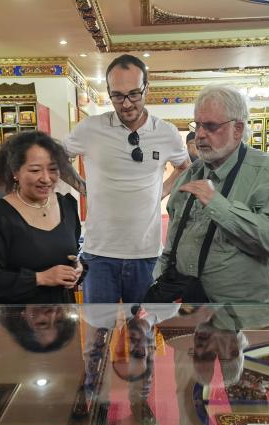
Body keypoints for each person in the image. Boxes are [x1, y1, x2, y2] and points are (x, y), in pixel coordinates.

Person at [156, 84, 269, 309]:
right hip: (188, 308)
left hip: (242, 314)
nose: (200, 134)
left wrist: (217, 204)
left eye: (211, 126)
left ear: (237, 129)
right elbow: (173, 240)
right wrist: (158, 281)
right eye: (197, 125)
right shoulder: (191, 174)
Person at [63, 54, 190, 304]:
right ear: (109, 92)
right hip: (98, 254)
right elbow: (57, 157)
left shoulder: (167, 133)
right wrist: (83, 187)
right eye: (118, 96)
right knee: (98, 328)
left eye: (134, 94)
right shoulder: (90, 128)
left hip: (146, 255)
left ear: (146, 89)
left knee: (144, 326)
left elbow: (185, 167)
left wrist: (162, 192)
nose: (127, 104)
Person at [0, 131, 83, 304]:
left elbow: (72, 253)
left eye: (53, 169)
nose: (46, 178)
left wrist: (78, 269)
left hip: (61, 313)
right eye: (35, 170)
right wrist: (40, 278)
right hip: (16, 316)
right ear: (15, 172)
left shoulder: (67, 206)